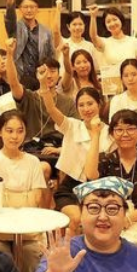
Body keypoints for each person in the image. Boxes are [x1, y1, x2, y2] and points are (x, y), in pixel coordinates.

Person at [84, 110, 137, 241]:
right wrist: (96, 135)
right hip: (109, 221)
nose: (125, 134)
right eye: (119, 130)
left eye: (131, 129)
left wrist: (128, 218)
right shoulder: (106, 161)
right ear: (112, 134)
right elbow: (90, 175)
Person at [42, 85, 108, 229]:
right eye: (81, 105)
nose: (86, 109)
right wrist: (43, 86)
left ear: (99, 104)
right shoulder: (72, 125)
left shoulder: (109, 132)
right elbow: (51, 109)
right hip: (71, 186)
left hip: (99, 187)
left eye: (90, 103)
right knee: (76, 219)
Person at [4, 0, 55, 91]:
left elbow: (51, 55)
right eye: (25, 7)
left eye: (32, 7)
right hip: (21, 77)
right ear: (20, 9)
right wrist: (10, 2)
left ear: (37, 9)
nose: (29, 10)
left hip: (41, 77)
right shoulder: (15, 28)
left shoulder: (46, 31)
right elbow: (9, 19)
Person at [92, 7, 137, 77]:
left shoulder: (134, 41)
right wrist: (93, 17)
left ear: (121, 20)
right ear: (105, 25)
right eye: (108, 21)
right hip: (111, 82)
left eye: (115, 19)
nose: (112, 23)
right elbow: (93, 36)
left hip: (130, 81)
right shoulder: (104, 42)